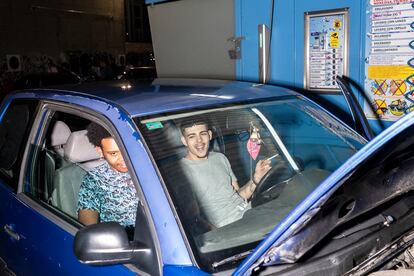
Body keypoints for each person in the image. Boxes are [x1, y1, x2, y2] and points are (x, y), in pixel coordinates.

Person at [179, 119, 271, 228]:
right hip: (229, 228)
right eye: (192, 136)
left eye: (203, 134)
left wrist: (256, 179)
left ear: (209, 135)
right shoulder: (181, 170)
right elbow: (194, 219)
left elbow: (238, 195)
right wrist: (219, 236)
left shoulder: (220, 158)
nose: (199, 140)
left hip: (249, 212)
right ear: (184, 141)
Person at [77, 123, 138, 227]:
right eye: (114, 153)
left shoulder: (147, 167)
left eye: (126, 151)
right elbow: (88, 228)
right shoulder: (94, 179)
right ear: (100, 151)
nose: (123, 159)